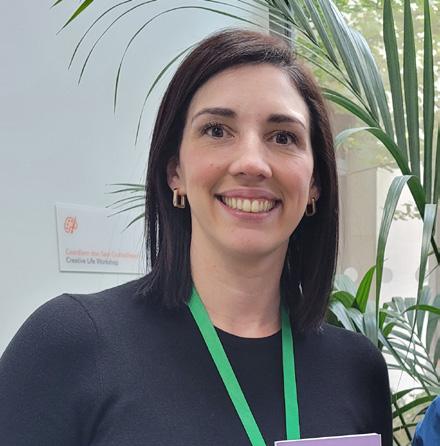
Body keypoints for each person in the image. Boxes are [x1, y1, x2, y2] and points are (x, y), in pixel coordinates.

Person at [0, 28, 392, 445]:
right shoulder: (72, 343)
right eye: (217, 130)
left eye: (283, 137)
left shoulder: (357, 369)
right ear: (176, 172)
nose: (251, 163)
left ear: (314, 184)